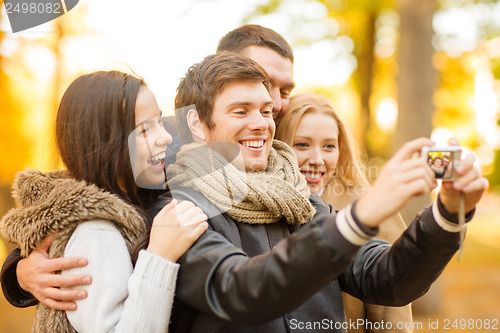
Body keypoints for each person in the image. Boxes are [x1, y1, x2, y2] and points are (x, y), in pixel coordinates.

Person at [153, 52, 487, 332]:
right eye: (241, 111)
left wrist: (445, 214)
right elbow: (242, 291)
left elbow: (387, 278)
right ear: (197, 123)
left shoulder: (300, 199)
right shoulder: (177, 209)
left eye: (266, 110)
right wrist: (359, 218)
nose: (261, 124)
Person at [0, 23, 296, 314]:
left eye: (286, 89)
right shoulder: (171, 143)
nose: (279, 102)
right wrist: (19, 271)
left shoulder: (299, 139)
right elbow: (86, 186)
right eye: (265, 81)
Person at [0, 71, 208, 332]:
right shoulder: (97, 231)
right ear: (107, 142)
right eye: (145, 129)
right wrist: (160, 256)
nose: (166, 136)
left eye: (159, 121)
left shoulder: (134, 190)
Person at [275, 93, 412, 333]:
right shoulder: (260, 206)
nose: (318, 160)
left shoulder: (372, 209)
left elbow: (392, 315)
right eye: (302, 144)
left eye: (329, 146)